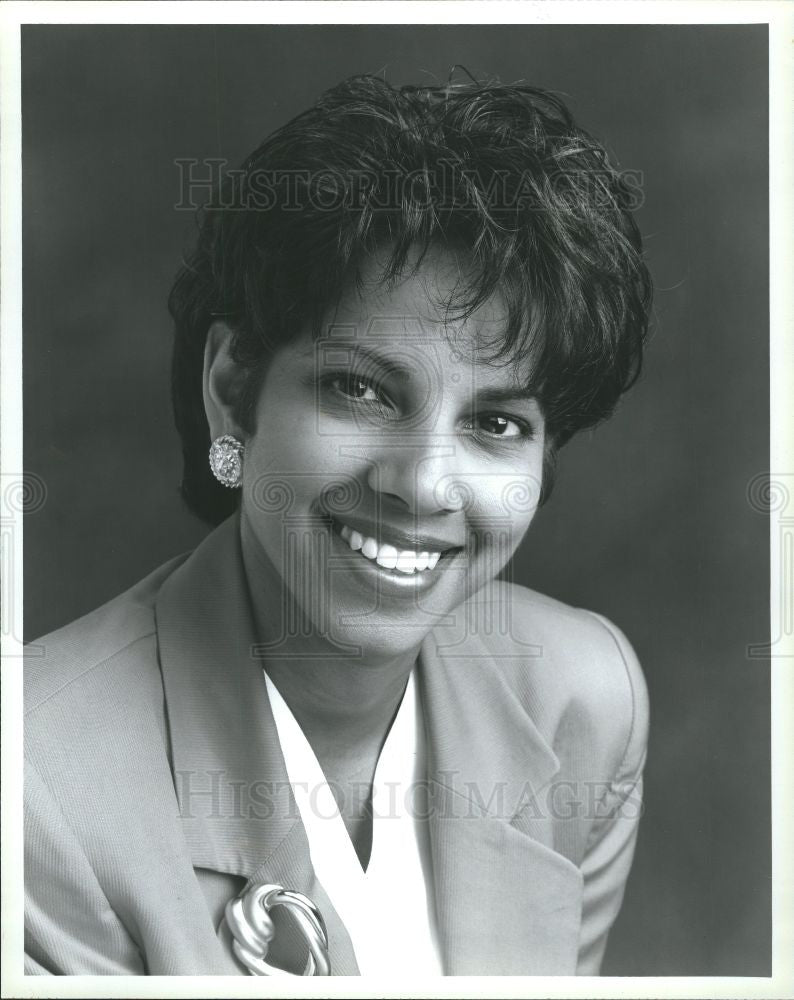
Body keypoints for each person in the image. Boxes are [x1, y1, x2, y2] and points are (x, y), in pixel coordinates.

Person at [24, 73, 652, 977]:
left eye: (496, 422)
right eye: (359, 389)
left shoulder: (585, 703)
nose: (424, 484)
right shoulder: (37, 792)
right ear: (235, 392)